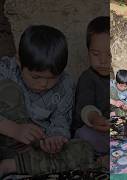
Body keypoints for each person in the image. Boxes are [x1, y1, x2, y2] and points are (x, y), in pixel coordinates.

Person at [0, 25, 94, 176]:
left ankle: (10, 166)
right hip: (5, 138)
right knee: (8, 90)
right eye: (36, 77)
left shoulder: (65, 84)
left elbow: (61, 119)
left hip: (37, 150)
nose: (43, 84)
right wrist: (14, 129)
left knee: (85, 150)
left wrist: (54, 139)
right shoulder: (6, 69)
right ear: (19, 61)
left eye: (52, 78)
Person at [72, 16, 110, 156]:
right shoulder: (87, 78)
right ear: (88, 51)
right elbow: (84, 106)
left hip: (115, 130)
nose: (103, 61)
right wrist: (94, 118)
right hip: (95, 129)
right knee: (83, 134)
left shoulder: (121, 76)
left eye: (110, 54)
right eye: (95, 54)